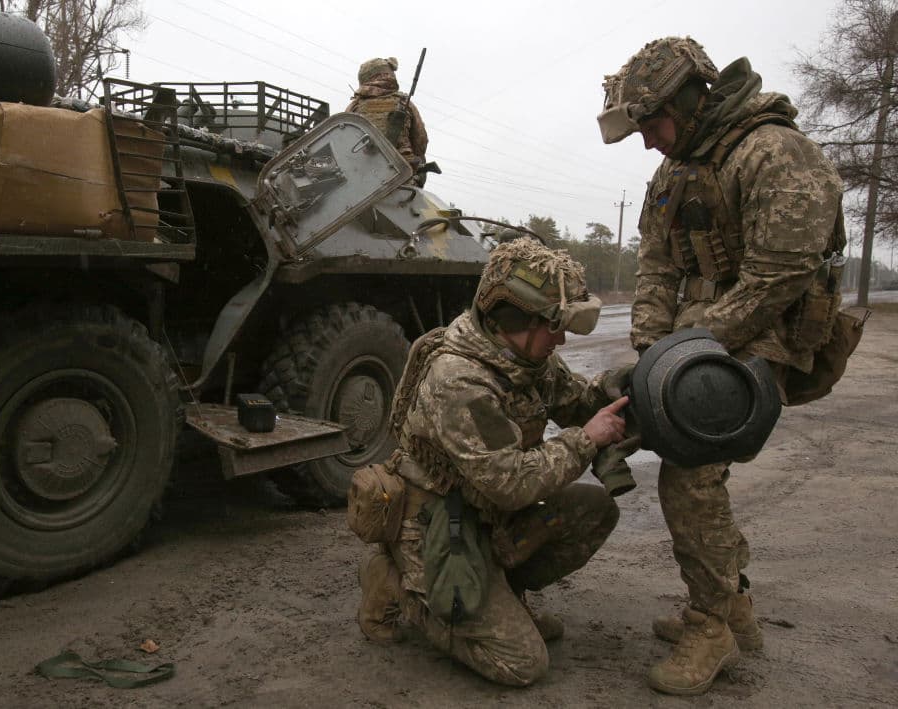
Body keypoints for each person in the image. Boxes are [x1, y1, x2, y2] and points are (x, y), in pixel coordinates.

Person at [598, 37, 846, 695]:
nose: (649, 142)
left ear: (687, 101)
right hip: (705, 339)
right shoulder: (675, 171)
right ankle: (735, 607)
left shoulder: (772, 152)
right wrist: (653, 350)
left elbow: (780, 275)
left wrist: (687, 346)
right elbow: (655, 263)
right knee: (646, 412)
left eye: (653, 124)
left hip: (772, 333)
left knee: (688, 461)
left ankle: (712, 625)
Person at [356, 237, 634, 686]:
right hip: (437, 520)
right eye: (553, 327)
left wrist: (613, 391)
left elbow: (574, 399)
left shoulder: (523, 356)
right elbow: (510, 483)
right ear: (514, 320)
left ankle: (502, 591)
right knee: (521, 663)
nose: (560, 340)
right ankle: (396, 585)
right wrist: (587, 440)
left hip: (485, 509)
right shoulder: (461, 380)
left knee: (595, 511)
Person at [346, 57, 428, 176]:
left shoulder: (354, 107)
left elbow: (345, 141)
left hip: (364, 176)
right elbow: (420, 142)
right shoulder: (404, 103)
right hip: (402, 173)